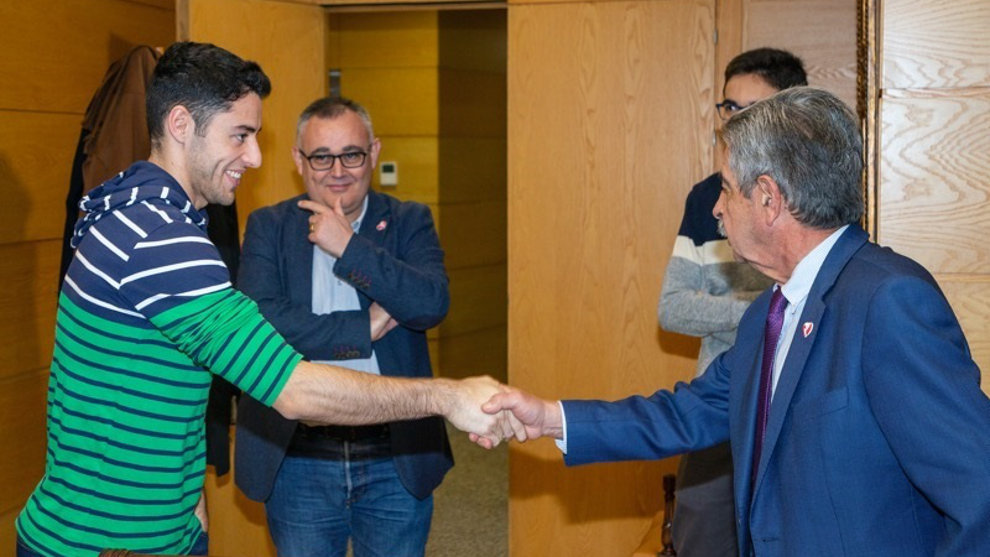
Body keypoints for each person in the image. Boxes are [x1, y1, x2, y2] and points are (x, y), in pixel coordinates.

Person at [15, 42, 513, 557]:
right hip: (103, 542)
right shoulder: (161, 239)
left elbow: (154, 382)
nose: (254, 157)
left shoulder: (134, 204)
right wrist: (446, 397)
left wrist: (189, 499)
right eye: (241, 135)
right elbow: (293, 391)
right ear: (182, 125)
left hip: (153, 529)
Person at [484, 87, 990, 556]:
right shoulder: (767, 315)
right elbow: (689, 412)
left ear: (769, 198)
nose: (717, 209)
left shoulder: (887, 300)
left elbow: (979, 490)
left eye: (726, 189)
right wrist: (550, 417)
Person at [233, 96, 451, 557]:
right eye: (321, 157)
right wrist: (362, 328)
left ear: (373, 152)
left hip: (394, 452)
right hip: (298, 455)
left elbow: (429, 304)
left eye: (351, 154)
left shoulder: (410, 221)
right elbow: (260, 323)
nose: (338, 171)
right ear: (298, 159)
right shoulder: (268, 227)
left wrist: (348, 247)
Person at [657, 48, 806, 557]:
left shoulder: (815, 194)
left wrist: (762, 306)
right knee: (700, 538)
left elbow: (816, 297)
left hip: (795, 408)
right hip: (716, 404)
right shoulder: (708, 197)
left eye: (749, 109)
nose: (733, 121)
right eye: (728, 107)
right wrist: (765, 310)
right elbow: (673, 308)